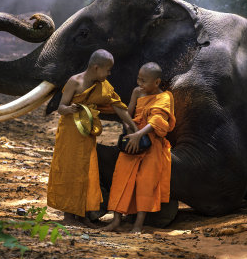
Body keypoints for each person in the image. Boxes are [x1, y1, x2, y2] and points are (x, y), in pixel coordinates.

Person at [47, 49, 137, 227]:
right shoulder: (75, 82)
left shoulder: (103, 85)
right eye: (108, 70)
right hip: (71, 132)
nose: (109, 73)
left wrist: (132, 125)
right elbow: (61, 107)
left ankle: (84, 216)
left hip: (87, 131)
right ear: (96, 68)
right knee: (71, 170)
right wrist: (70, 108)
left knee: (87, 172)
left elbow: (118, 106)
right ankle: (69, 216)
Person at [105, 62, 176, 233]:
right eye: (138, 79)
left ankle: (138, 224)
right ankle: (116, 221)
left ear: (157, 82)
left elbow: (158, 121)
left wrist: (139, 135)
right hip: (133, 139)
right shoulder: (137, 92)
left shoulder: (166, 97)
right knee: (121, 178)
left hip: (152, 143)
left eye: (144, 81)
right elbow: (128, 114)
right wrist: (131, 131)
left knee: (146, 183)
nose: (140, 84)